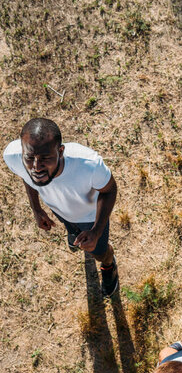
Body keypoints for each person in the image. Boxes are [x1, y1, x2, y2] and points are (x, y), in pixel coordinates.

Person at [3, 118, 119, 297]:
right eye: (30, 157)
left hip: (91, 217)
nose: (36, 167)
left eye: (45, 159)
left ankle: (109, 265)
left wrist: (96, 232)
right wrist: (37, 208)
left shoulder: (88, 165)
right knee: (72, 230)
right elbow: (27, 176)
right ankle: (73, 231)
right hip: (61, 212)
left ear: (61, 151)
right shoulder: (14, 157)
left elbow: (110, 190)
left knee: (99, 252)